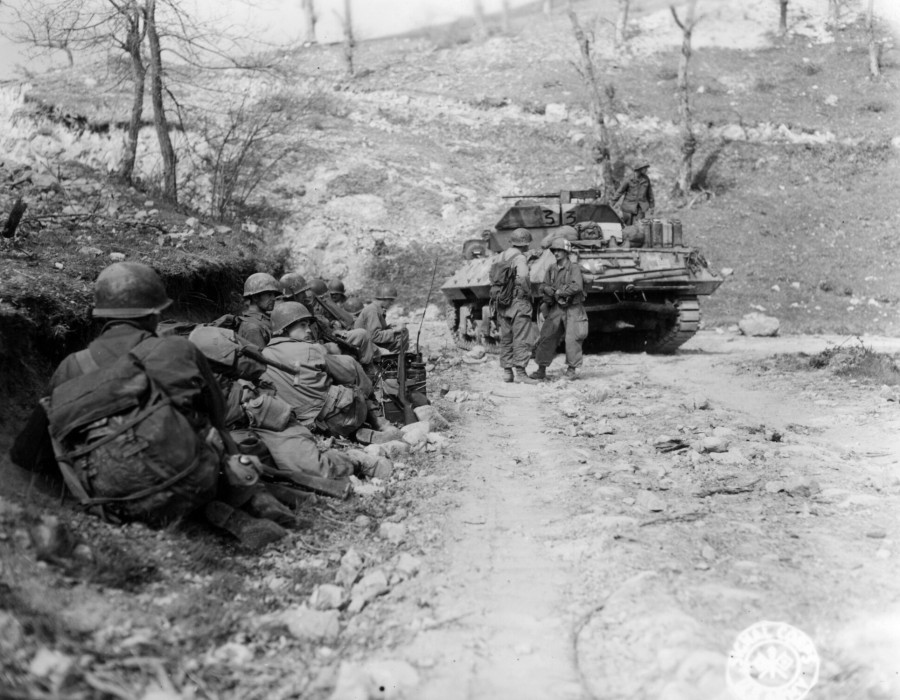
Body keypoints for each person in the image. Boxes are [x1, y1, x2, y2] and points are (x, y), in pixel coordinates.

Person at [44, 263, 292, 549]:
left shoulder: (69, 367)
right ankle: (251, 499)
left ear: (100, 316)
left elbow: (36, 452)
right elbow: (217, 415)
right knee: (223, 437)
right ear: (155, 314)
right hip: (192, 480)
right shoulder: (179, 348)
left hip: (112, 499)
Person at [263, 302, 394, 444]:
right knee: (353, 373)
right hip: (337, 419)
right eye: (303, 325)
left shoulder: (263, 355)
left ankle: (358, 432)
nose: (308, 330)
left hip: (299, 426)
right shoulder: (310, 349)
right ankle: (378, 420)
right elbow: (349, 375)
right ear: (285, 328)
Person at [531, 239, 588, 381]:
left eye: (559, 250)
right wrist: (547, 289)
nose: (556, 253)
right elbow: (542, 285)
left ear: (566, 252)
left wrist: (559, 292)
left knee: (572, 338)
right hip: (556, 308)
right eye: (554, 251)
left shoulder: (573, 268)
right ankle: (541, 369)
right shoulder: (551, 268)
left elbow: (577, 287)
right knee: (546, 336)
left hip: (573, 308)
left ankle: (571, 370)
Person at [494, 228, 537, 384]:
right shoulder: (519, 258)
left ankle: (507, 372)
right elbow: (523, 275)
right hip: (518, 302)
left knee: (506, 337)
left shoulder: (501, 256)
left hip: (502, 301)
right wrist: (527, 291)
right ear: (525, 244)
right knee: (521, 337)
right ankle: (521, 373)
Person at [355, 284, 408, 354]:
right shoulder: (373, 311)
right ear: (384, 299)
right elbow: (374, 336)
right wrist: (394, 330)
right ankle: (393, 360)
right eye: (391, 300)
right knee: (401, 335)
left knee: (402, 331)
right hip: (365, 347)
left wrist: (390, 327)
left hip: (368, 343)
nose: (392, 303)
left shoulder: (375, 308)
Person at [237, 272, 281, 348]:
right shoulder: (252, 327)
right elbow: (262, 358)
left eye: (274, 295)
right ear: (255, 297)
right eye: (269, 295)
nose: (274, 298)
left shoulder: (263, 319)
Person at [611, 160, 654, 226]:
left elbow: (650, 193)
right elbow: (620, 191)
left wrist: (652, 206)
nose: (646, 170)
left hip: (640, 208)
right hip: (628, 208)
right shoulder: (628, 179)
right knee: (627, 229)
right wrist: (612, 203)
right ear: (639, 169)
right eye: (644, 168)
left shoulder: (646, 179)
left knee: (639, 228)